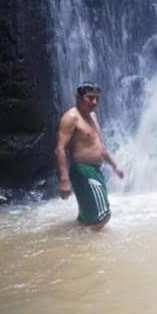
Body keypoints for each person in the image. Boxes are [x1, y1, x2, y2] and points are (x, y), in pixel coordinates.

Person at [55, 82, 124, 230]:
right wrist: (64, 179)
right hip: (82, 170)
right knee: (103, 215)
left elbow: (100, 146)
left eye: (97, 98)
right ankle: (96, 250)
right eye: (90, 97)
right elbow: (60, 149)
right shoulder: (71, 117)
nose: (94, 102)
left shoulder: (93, 116)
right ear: (79, 98)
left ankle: (77, 244)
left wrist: (114, 166)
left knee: (88, 216)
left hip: (95, 170)